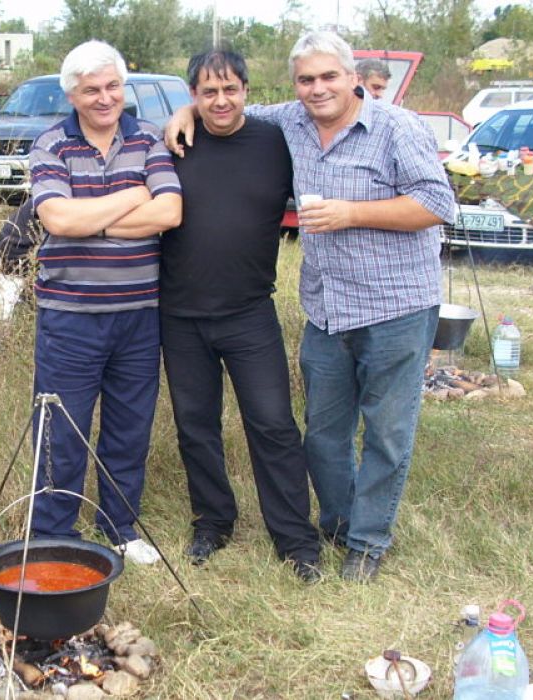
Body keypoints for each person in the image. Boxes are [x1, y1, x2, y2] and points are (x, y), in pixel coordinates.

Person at [165, 32, 456, 582]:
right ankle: (329, 525)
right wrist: (185, 108)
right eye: (306, 79)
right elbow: (219, 104)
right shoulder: (290, 122)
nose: (318, 88)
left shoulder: (394, 128)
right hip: (326, 310)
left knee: (376, 432)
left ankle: (356, 543)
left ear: (353, 77)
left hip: (392, 304)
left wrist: (350, 212)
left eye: (328, 77)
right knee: (321, 432)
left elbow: (439, 204)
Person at [160, 50, 320, 582]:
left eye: (230, 89)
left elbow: (313, 108)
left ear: (247, 90)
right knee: (196, 426)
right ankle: (213, 523)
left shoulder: (277, 140)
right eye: (208, 92)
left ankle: (296, 540)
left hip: (250, 312)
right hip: (179, 315)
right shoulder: (174, 144)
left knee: (273, 424)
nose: (221, 101)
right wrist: (178, 119)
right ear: (193, 97)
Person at [27, 40, 182, 565]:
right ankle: (54, 536)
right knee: (61, 431)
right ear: (72, 94)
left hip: (139, 315)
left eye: (113, 86)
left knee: (129, 427)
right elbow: (60, 221)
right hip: (69, 319)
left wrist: (95, 218)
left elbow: (170, 212)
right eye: (91, 89)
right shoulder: (51, 144)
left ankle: (119, 527)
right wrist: (133, 196)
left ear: (124, 88)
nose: (104, 97)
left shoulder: (148, 140)